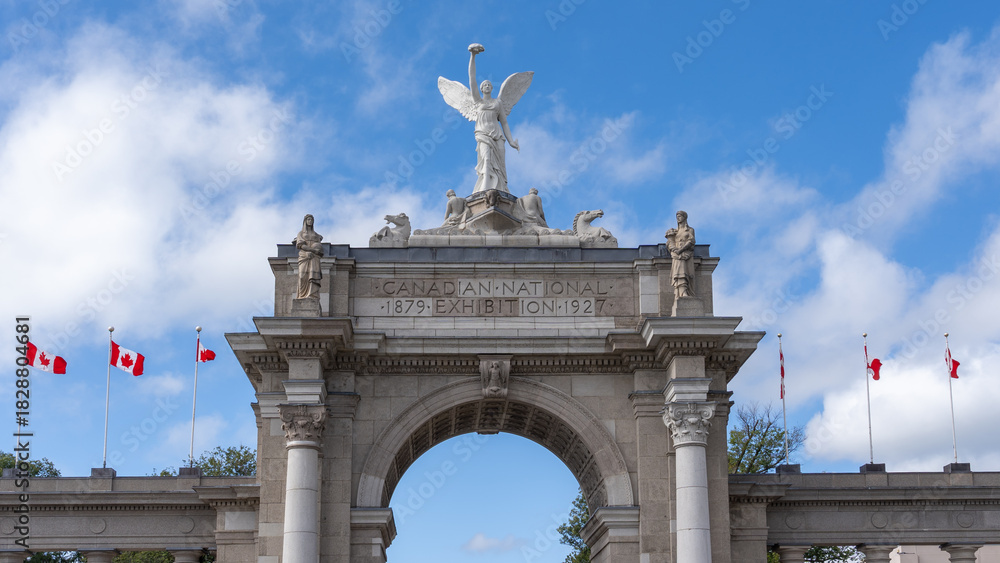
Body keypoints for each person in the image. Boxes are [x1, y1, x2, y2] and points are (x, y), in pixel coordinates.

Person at [468, 44, 519, 192]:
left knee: (501, 165)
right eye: (484, 85)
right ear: (482, 89)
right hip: (483, 134)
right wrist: (472, 56)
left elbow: (504, 123)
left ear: (492, 88)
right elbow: (472, 79)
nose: (487, 86)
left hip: (497, 136)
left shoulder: (498, 103)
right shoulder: (478, 102)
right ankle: (485, 187)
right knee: (487, 159)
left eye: (489, 84)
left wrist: (511, 141)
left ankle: (502, 188)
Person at [665, 210, 696, 298]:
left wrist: (681, 250)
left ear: (684, 217)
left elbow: (691, 241)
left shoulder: (690, 230)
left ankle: (685, 291)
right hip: (676, 255)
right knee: (679, 272)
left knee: (685, 272)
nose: (678, 218)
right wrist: (674, 249)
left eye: (680, 216)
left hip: (686, 254)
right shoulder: (675, 231)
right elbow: (669, 242)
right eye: (677, 216)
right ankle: (681, 292)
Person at [293, 214, 324, 299]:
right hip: (304, 256)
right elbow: (300, 245)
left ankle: (312, 294)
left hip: (314, 257)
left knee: (313, 275)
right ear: (305, 221)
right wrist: (312, 250)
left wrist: (316, 251)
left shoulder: (317, 235)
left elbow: (320, 248)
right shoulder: (301, 233)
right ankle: (302, 296)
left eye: (311, 220)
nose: (310, 221)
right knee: (302, 276)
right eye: (308, 219)